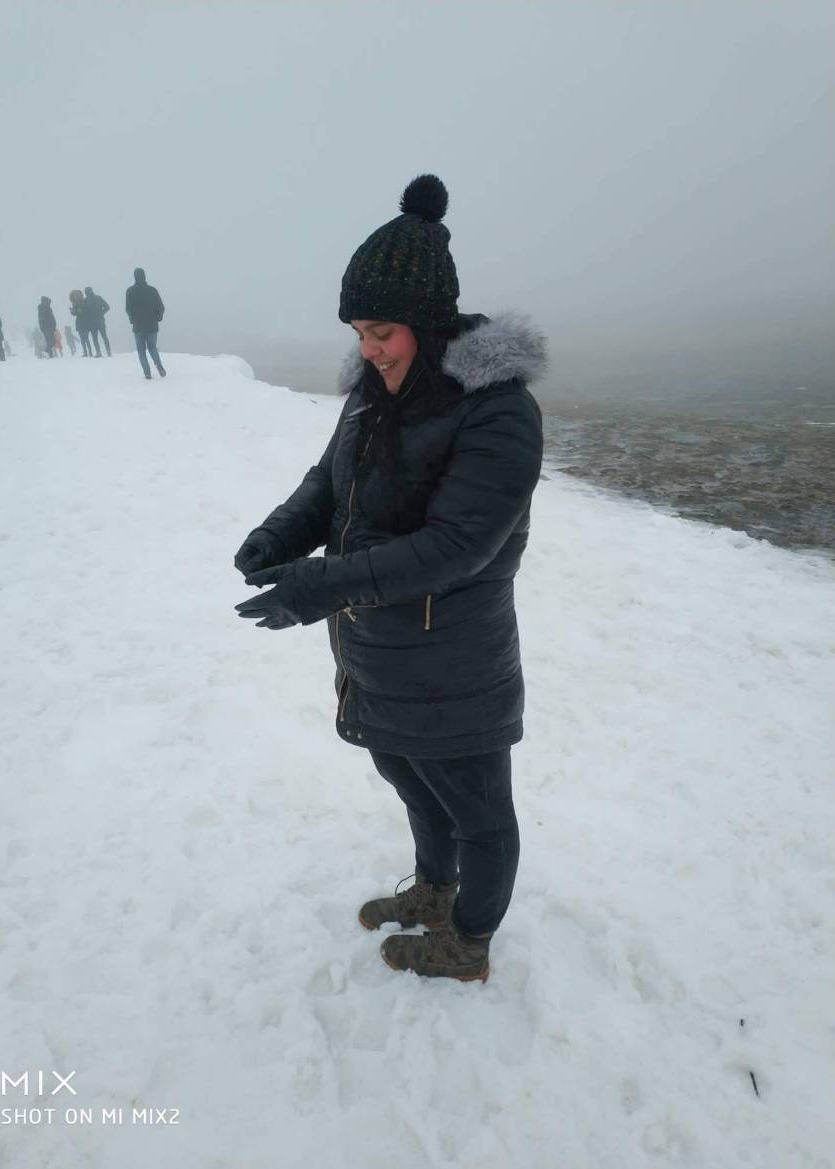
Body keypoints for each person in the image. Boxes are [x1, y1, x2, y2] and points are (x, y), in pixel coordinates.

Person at [233, 175, 545, 983]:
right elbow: (328, 479)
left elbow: (456, 547)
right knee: (413, 783)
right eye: (359, 331)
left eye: (381, 331)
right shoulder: (373, 391)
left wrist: (321, 584)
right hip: (377, 648)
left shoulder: (497, 411)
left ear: (429, 322)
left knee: (479, 812)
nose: (368, 349)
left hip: (454, 658)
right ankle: (436, 892)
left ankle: (468, 943)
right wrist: (282, 532)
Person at [124, 267, 165, 379]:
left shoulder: (130, 291)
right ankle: (159, 366)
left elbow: (128, 308)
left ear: (135, 277)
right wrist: (158, 318)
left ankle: (147, 372)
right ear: (144, 276)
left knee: (141, 350)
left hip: (138, 326)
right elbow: (161, 307)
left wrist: (132, 319)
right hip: (152, 325)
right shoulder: (152, 290)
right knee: (152, 348)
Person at [84, 286, 111, 356]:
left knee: (95, 338)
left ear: (86, 292)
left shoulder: (85, 301)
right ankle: (109, 352)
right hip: (100, 321)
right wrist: (102, 313)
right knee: (104, 337)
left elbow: (85, 313)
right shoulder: (98, 298)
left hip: (92, 323)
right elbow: (107, 307)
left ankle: (98, 353)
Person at [69, 290, 92, 356]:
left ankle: (90, 352)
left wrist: (80, 311)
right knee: (82, 339)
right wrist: (72, 311)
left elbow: (87, 311)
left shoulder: (84, 301)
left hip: (85, 322)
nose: (75, 297)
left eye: (76, 295)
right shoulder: (74, 303)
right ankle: (85, 352)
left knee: (86, 338)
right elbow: (75, 314)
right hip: (79, 322)